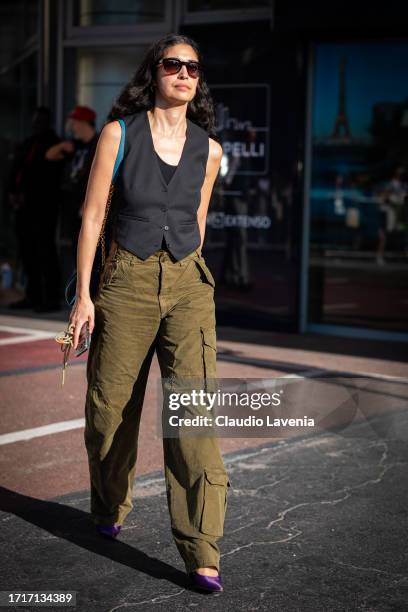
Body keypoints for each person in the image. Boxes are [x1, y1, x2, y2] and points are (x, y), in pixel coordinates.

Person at [67, 34, 231, 593]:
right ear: (154, 73)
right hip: (125, 284)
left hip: (188, 285)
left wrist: (190, 273)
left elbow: (199, 221)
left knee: (192, 415)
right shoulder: (118, 135)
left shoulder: (210, 150)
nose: (184, 73)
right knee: (110, 410)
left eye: (193, 67)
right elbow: (91, 218)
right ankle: (110, 500)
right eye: (172, 64)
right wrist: (84, 295)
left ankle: (202, 548)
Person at [7, 106, 62, 312]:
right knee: (27, 251)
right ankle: (32, 295)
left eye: (40, 120)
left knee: (45, 251)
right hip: (23, 206)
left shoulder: (53, 144)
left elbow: (48, 176)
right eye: (34, 120)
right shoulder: (28, 142)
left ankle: (50, 298)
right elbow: (16, 170)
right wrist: (12, 194)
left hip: (43, 206)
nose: (36, 124)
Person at [45, 105, 99, 266]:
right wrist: (62, 146)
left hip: (86, 203)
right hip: (71, 202)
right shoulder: (75, 144)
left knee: (87, 248)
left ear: (83, 123)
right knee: (74, 247)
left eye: (74, 123)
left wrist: (89, 201)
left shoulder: (97, 144)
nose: (72, 127)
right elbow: (49, 156)